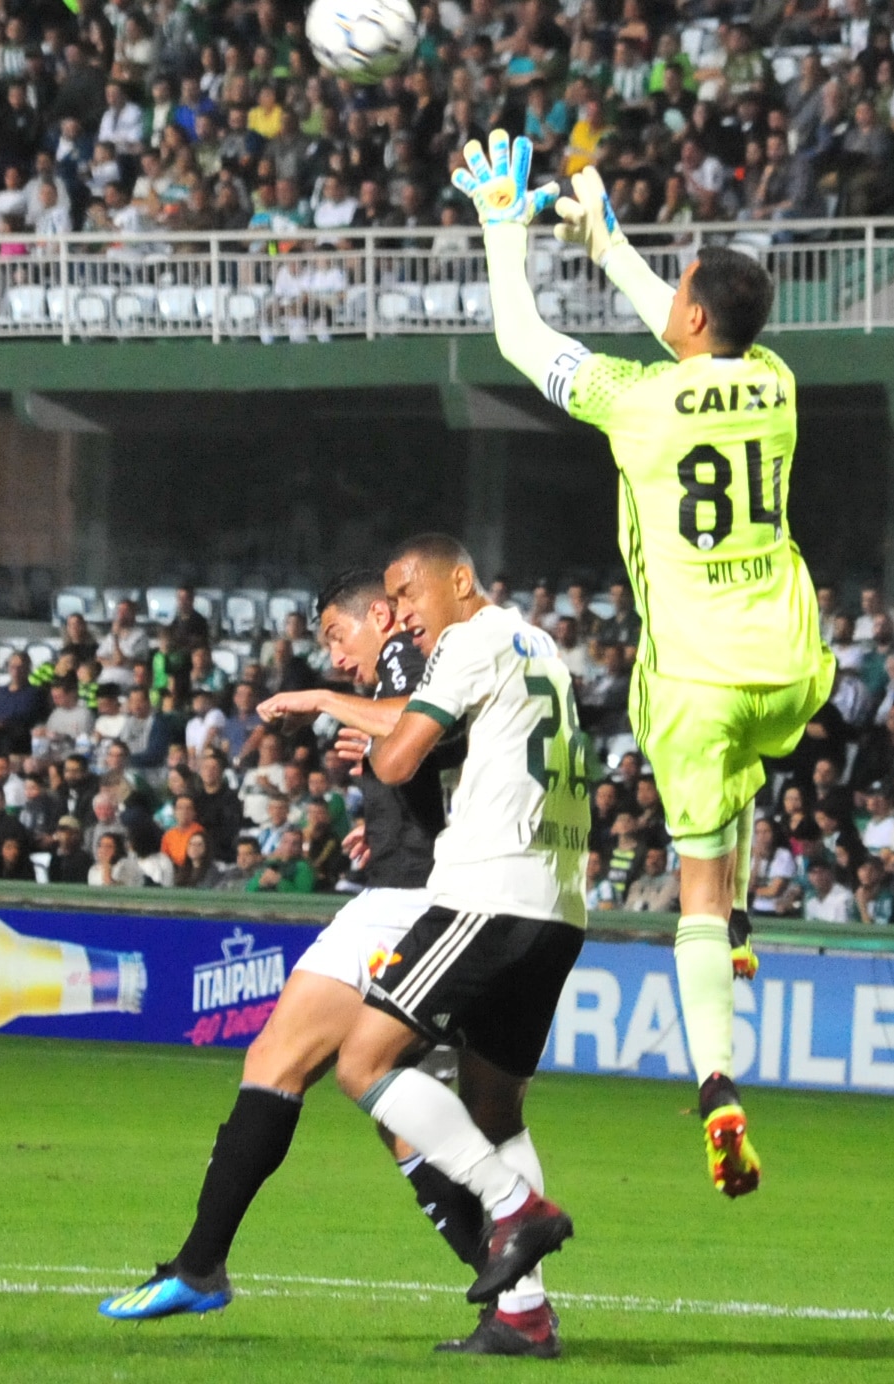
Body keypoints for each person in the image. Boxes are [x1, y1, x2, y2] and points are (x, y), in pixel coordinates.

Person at [462, 131, 829, 1199]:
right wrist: (610, 245)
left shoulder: (636, 399)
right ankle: (743, 915)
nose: (670, 300)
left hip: (694, 679)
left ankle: (716, 1081)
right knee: (753, 757)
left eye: (679, 288)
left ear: (694, 316)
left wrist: (505, 230)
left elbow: (522, 338)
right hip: (790, 664)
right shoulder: (777, 382)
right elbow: (693, 333)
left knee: (694, 891)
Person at [103, 566, 489, 1336]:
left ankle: (199, 1268)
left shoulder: (408, 655)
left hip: (406, 905)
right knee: (400, 1113)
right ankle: (518, 1296)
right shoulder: (408, 673)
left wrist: (319, 698)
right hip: (421, 892)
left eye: (339, 636)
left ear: (380, 616)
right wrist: (386, 824)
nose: (337, 657)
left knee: (276, 1060)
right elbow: (439, 754)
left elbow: (421, 720)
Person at [296, 534, 592, 1353]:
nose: (401, 615)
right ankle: (525, 1318)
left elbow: (397, 761)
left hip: (486, 895)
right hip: (560, 904)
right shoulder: (542, 648)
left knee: (363, 1062)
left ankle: (515, 1206)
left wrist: (350, 723)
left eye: (407, 595)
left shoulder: (468, 640)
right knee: (495, 1111)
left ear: (459, 581)